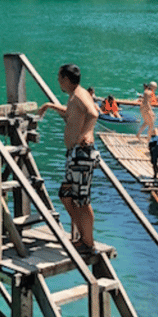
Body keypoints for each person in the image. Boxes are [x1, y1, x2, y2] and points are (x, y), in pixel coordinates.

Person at [38, 64, 100, 255]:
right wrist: (49, 106)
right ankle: (83, 236)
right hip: (73, 154)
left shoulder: (80, 95)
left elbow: (94, 113)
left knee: (81, 199)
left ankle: (88, 243)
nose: (58, 81)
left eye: (59, 77)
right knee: (66, 195)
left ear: (66, 79)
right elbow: (70, 114)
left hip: (81, 154)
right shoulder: (75, 96)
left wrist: (86, 133)